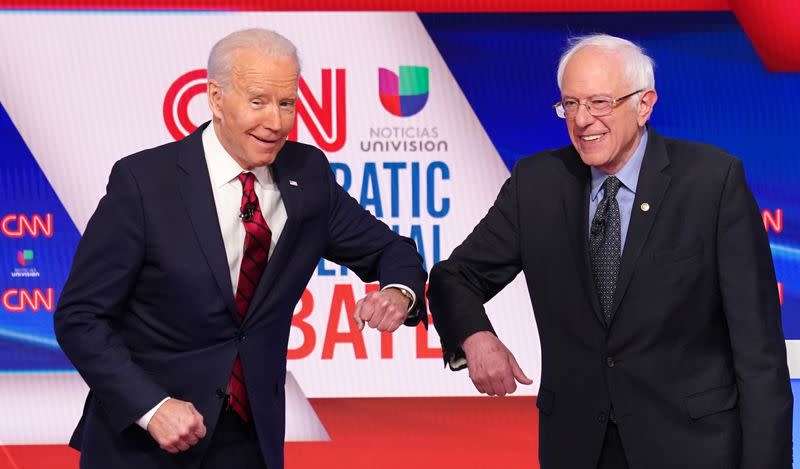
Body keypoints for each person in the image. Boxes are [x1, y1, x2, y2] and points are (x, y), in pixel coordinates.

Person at [54, 28, 426, 469]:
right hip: (146, 444)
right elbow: (80, 317)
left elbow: (391, 249)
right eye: (258, 102)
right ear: (216, 98)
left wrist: (399, 291)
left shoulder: (307, 175)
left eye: (286, 103)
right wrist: (151, 408)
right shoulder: (144, 183)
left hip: (250, 442)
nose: (276, 121)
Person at [427, 34, 791, 469]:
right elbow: (454, 277)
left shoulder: (712, 182)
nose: (583, 120)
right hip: (580, 448)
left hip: (693, 448)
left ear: (644, 104)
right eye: (571, 104)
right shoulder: (537, 184)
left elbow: (759, 354)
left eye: (600, 103)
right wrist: (475, 336)